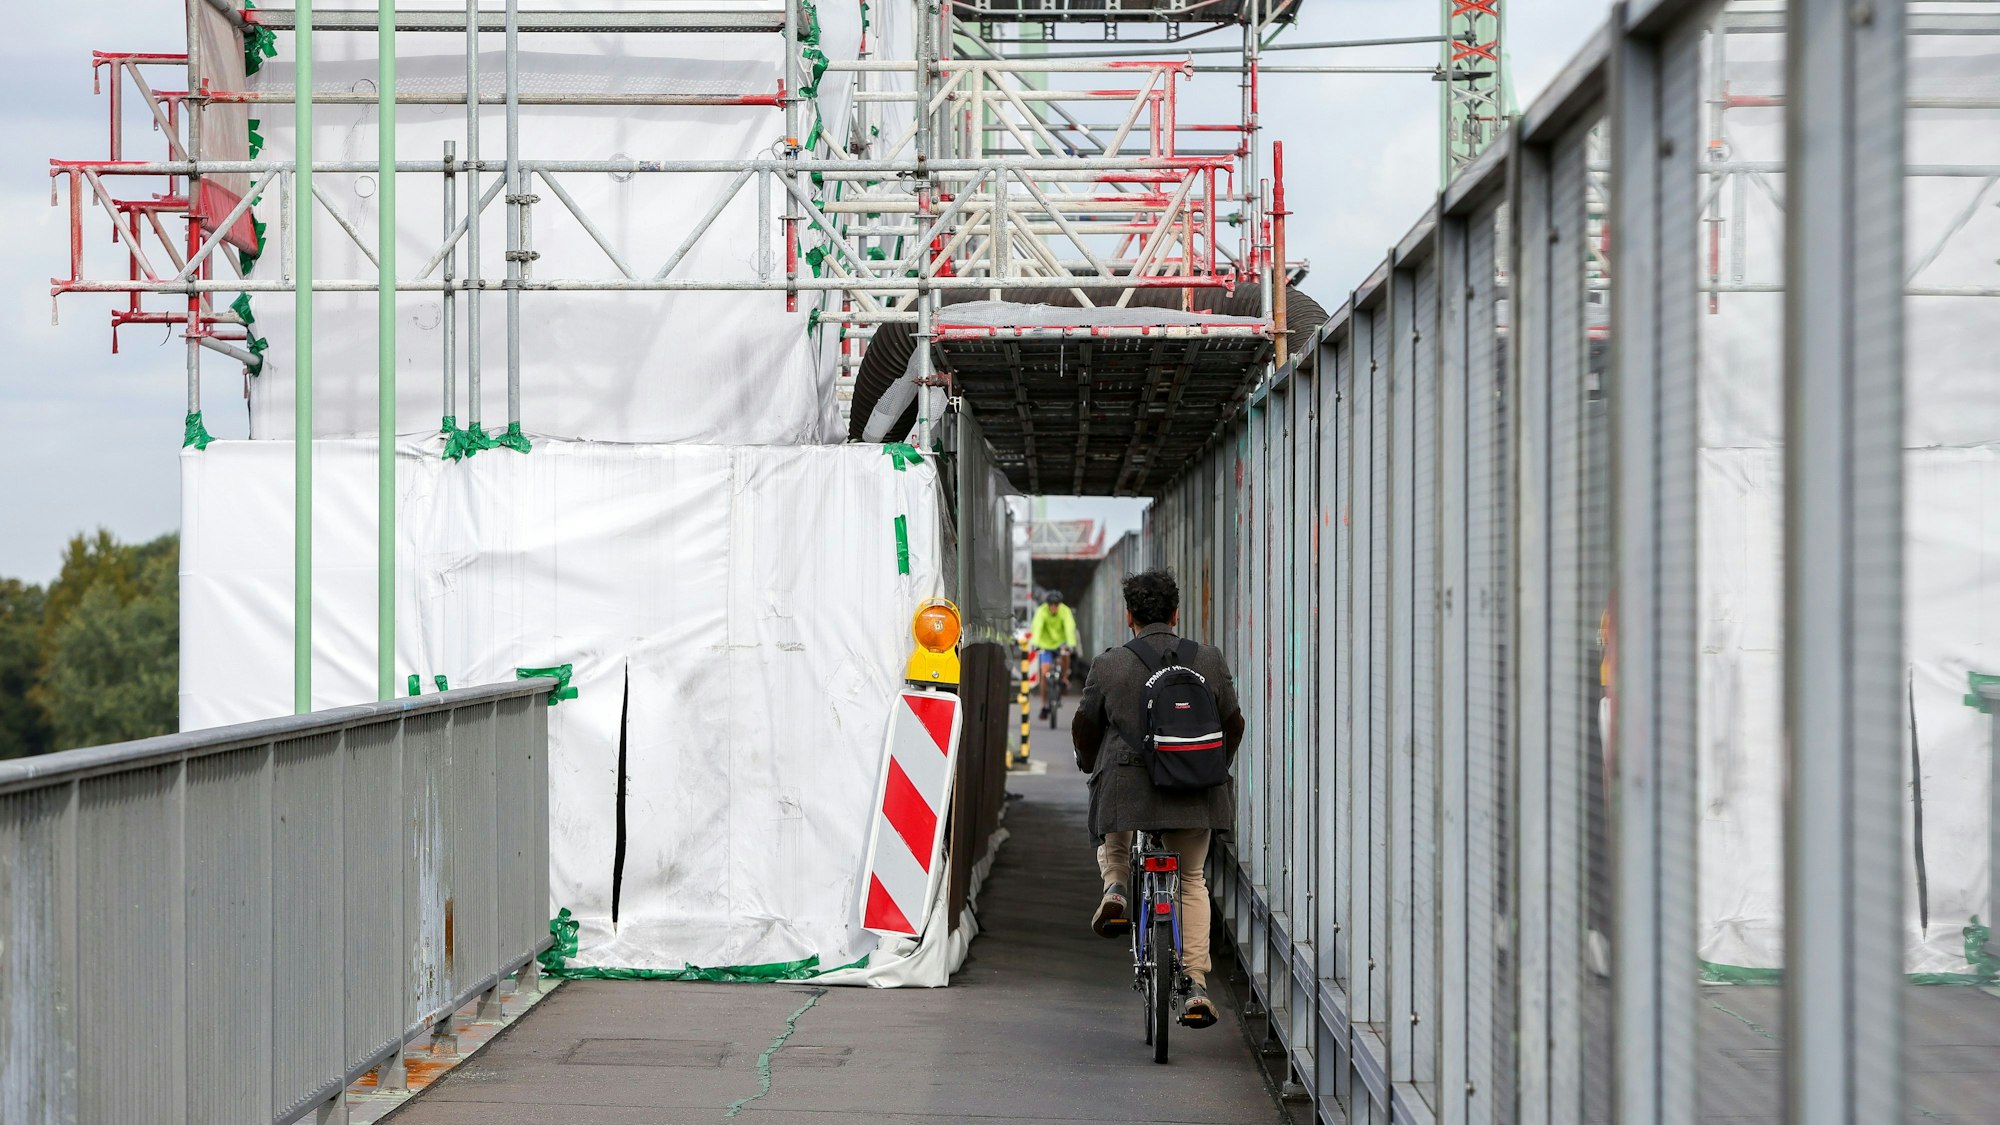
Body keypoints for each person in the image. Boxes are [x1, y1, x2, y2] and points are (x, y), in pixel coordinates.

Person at [1071, 569, 1245, 1029]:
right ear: (1176, 614)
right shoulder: (1207, 659)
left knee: (1112, 816)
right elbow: (1234, 722)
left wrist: (1089, 762)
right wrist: (1210, 766)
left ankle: (1115, 887)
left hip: (1129, 793)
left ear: (1129, 616)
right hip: (1193, 793)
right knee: (1191, 880)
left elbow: (1086, 726)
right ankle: (1196, 986)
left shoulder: (1111, 665)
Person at [1029, 590, 1079, 718]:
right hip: (1045, 644)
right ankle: (1044, 705)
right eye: (1051, 604)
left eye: (1056, 605)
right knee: (1044, 673)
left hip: (1061, 643)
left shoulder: (1065, 611)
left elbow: (1069, 627)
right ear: (1047, 604)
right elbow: (1037, 626)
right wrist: (1035, 643)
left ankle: (1063, 677)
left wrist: (1071, 644)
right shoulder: (1041, 611)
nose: (1053, 607)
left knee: (1065, 654)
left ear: (1059, 604)